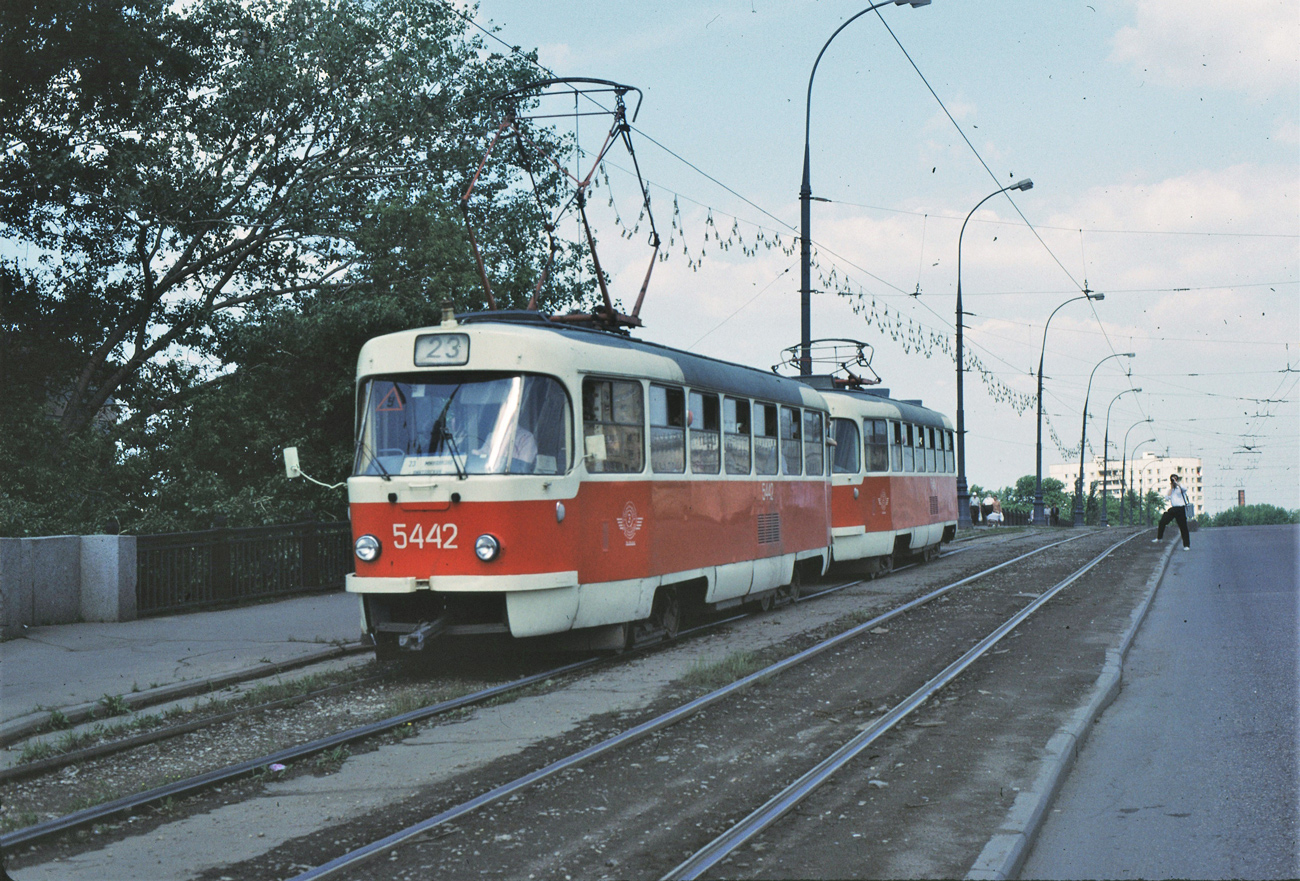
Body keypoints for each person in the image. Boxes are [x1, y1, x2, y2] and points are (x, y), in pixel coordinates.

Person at [1153, 473, 1191, 550]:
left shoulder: (1180, 488)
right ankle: (1159, 538)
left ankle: (1186, 545)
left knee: (1183, 527)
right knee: (1162, 521)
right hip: (1173, 509)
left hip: (1181, 509)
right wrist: (1171, 488)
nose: (1174, 481)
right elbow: (1167, 498)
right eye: (1172, 479)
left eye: (1175, 479)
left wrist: (1177, 483)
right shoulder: (1171, 490)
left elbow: (1185, 488)